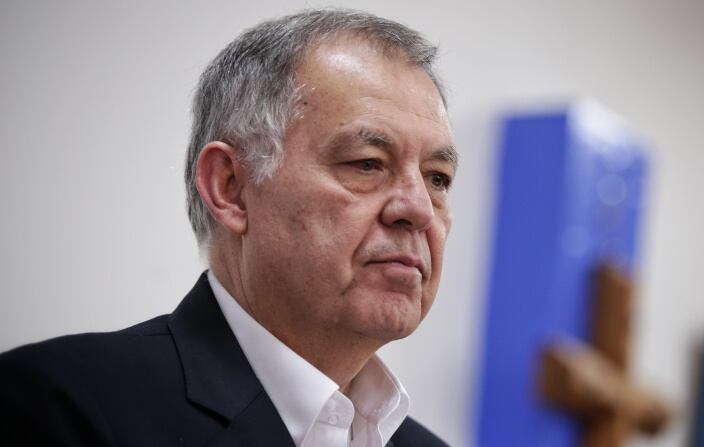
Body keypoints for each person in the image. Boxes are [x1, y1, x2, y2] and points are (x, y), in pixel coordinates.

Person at [0, 8, 457, 447]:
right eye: (367, 164)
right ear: (231, 188)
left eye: (437, 178)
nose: (418, 209)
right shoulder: (58, 407)